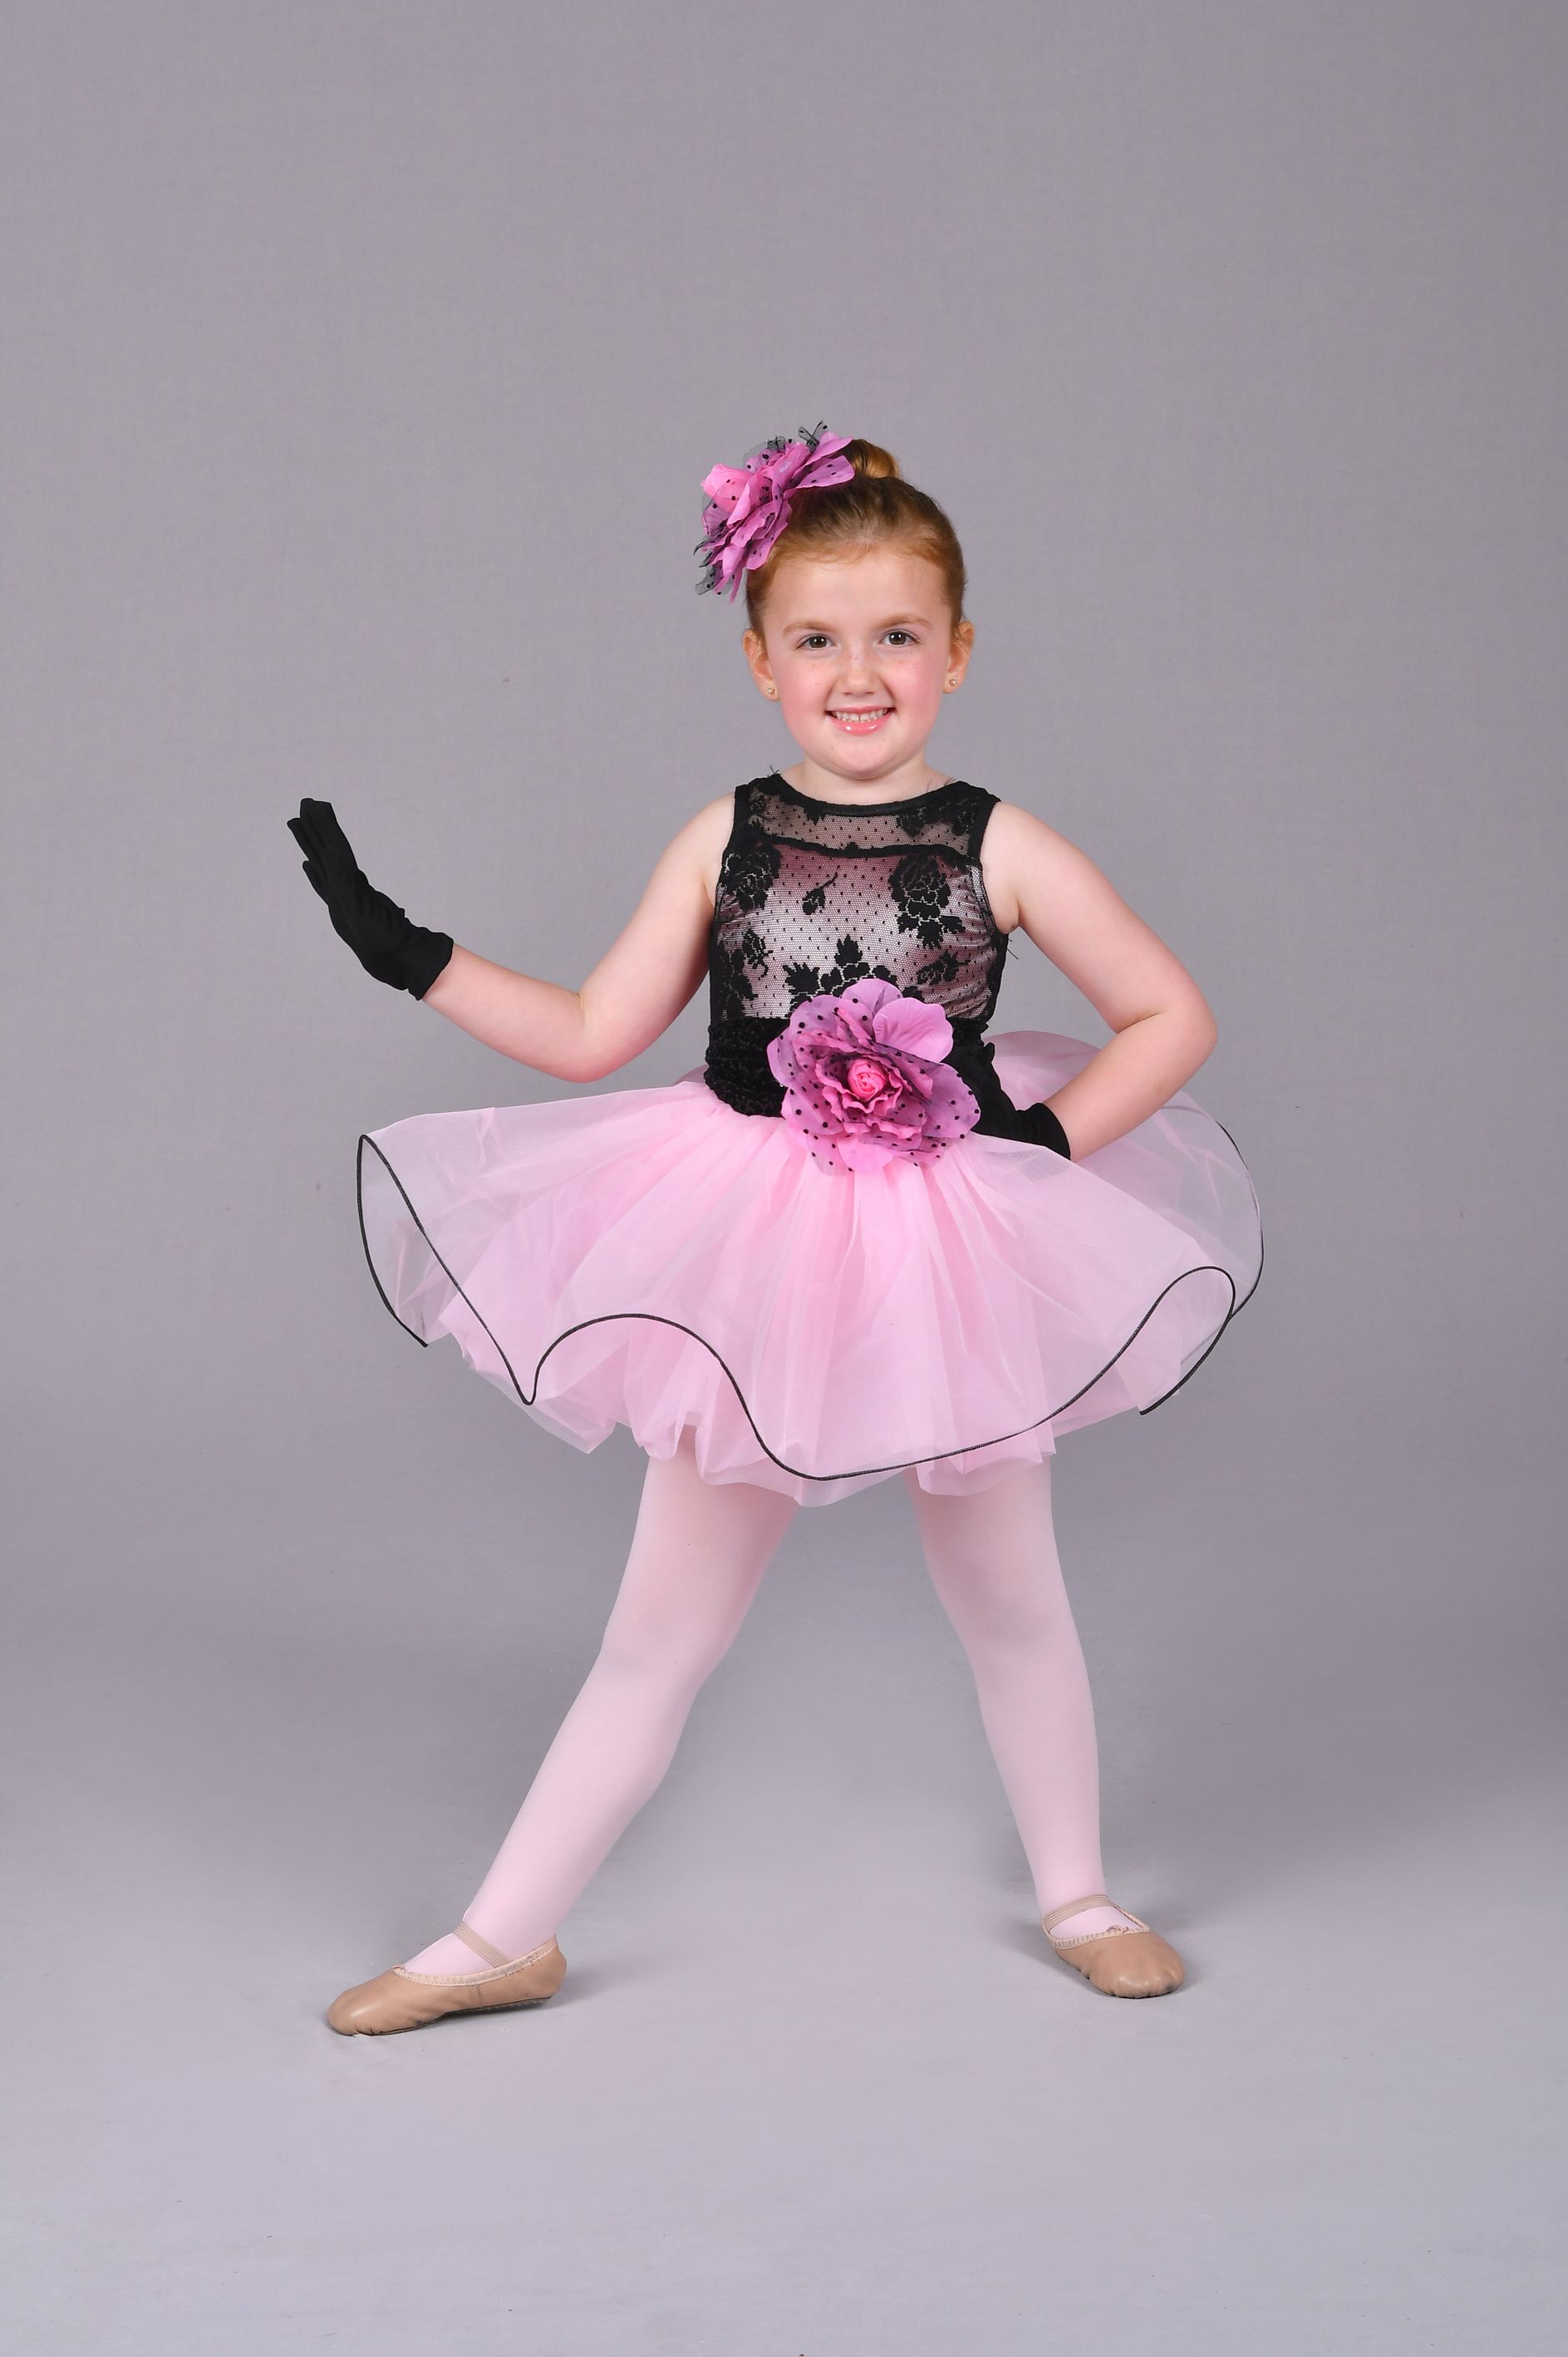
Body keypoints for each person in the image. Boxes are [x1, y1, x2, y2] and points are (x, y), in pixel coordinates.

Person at [287, 424, 1263, 2034]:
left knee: (1011, 1590)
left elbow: (1168, 1011)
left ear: (957, 649)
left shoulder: (999, 841)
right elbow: (603, 1029)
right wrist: (416, 954)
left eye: (896, 636)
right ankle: (500, 1936)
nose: (858, 673)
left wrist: (1044, 1135)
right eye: (819, 639)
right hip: (746, 1256)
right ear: (760, 660)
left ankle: (1081, 1891)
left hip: (954, 1252)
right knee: (661, 1630)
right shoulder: (724, 835)